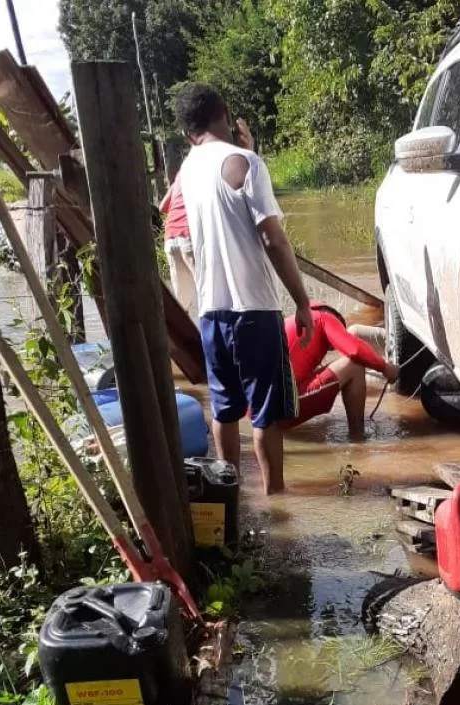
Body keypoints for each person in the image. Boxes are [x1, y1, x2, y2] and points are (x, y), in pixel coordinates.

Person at [175, 83, 313, 495]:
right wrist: (302, 303)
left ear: (187, 134)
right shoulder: (246, 162)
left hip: (211, 312)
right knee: (265, 415)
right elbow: (273, 239)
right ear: (226, 113)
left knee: (225, 409)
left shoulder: (186, 169)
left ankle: (227, 496)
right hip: (254, 310)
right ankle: (276, 502)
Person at [279, 302, 399, 439]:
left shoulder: (290, 323)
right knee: (354, 365)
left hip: (261, 411)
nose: (331, 348)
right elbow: (355, 350)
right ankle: (358, 437)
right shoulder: (323, 318)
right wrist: (384, 367)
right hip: (282, 409)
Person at [158, 176, 196, 318]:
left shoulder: (182, 175)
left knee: (182, 306)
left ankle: (179, 339)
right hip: (189, 235)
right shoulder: (209, 168)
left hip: (171, 237)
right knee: (209, 296)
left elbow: (163, 207)